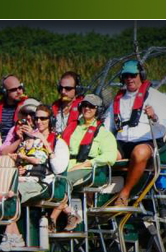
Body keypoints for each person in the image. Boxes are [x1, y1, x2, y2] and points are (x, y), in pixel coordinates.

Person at [103, 60, 166, 206]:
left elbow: (165, 123)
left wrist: (154, 116)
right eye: (126, 76)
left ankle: (125, 193)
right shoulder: (118, 100)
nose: (129, 79)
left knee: (139, 152)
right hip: (123, 142)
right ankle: (99, 194)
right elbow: (107, 126)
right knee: (106, 155)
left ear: (141, 75)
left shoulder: (156, 97)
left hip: (147, 141)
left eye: (132, 75)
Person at [0, 105, 70, 250]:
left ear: (50, 120)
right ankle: (16, 235)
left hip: (45, 183)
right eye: (36, 118)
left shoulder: (58, 142)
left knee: (13, 192)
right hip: (26, 179)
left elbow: (58, 169)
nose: (39, 121)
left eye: (43, 118)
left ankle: (10, 234)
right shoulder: (27, 141)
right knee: (3, 190)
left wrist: (45, 142)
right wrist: (20, 165)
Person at [50, 94, 117, 230]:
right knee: (48, 180)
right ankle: (71, 213)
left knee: (64, 180)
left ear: (98, 110)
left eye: (91, 106)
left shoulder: (103, 133)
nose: (87, 108)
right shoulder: (72, 128)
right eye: (84, 105)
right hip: (67, 165)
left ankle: (52, 218)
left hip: (89, 169)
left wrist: (88, 163)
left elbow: (110, 156)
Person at [0, 75, 28, 139]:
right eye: (14, 90)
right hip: (0, 143)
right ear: (5, 92)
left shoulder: (28, 106)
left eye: (20, 88)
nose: (19, 92)